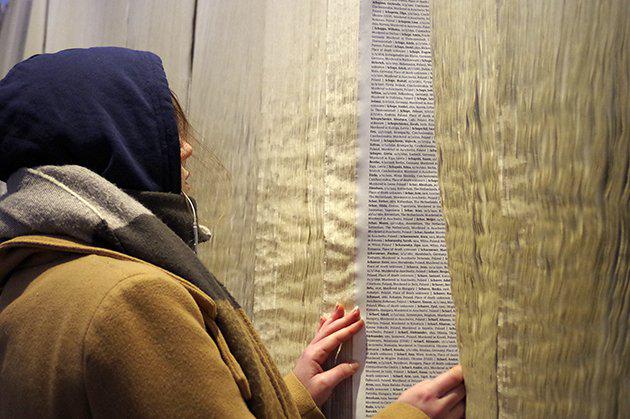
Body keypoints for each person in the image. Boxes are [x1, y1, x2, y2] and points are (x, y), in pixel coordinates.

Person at [0, 47, 465, 418]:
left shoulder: (26, 286)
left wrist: (289, 399)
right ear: (104, 139)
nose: (184, 150)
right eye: (157, 129)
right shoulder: (130, 301)